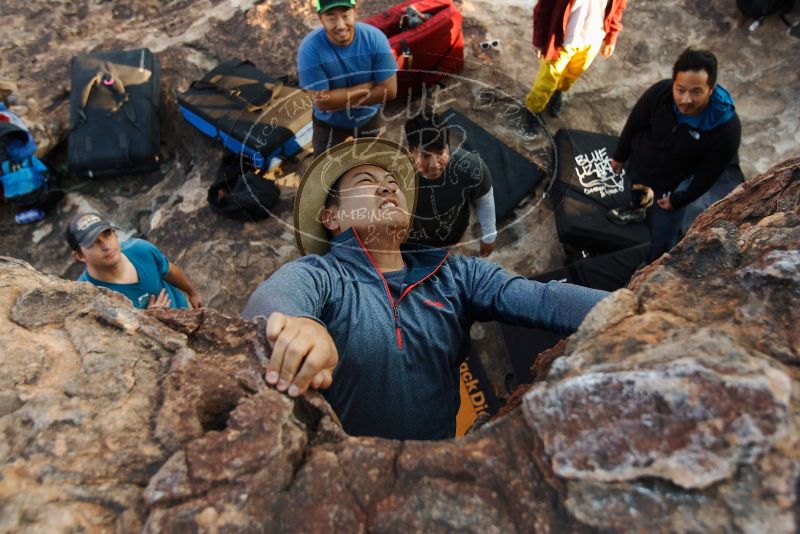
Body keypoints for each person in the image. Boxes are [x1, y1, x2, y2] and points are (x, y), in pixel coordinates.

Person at [242, 138, 608, 441]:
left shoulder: (454, 273)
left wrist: (628, 309)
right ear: (331, 217)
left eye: (392, 182)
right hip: (352, 475)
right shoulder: (323, 275)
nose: (388, 187)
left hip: (438, 469)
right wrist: (301, 324)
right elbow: (274, 298)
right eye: (366, 181)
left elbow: (542, 298)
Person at [608, 48, 742, 261]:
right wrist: (620, 155)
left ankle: (653, 265)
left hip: (674, 185)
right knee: (637, 191)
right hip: (642, 165)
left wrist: (679, 200)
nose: (685, 100)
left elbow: (708, 174)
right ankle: (637, 209)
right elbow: (635, 122)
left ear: (711, 89)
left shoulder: (727, 130)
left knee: (663, 237)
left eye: (696, 92)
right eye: (680, 89)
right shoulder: (660, 94)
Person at [297, 0, 398, 155]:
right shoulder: (309, 50)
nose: (341, 25)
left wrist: (336, 102)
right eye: (331, 18)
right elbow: (323, 102)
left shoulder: (375, 39)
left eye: (345, 15)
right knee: (324, 169)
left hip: (368, 118)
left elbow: (389, 91)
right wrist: (367, 87)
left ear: (355, 11)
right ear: (320, 18)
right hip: (328, 124)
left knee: (369, 160)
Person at [404, 109, 497, 256]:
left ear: (448, 145)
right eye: (425, 156)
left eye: (440, 153)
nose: (434, 165)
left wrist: (489, 236)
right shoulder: (396, 177)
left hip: (452, 236)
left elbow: (484, 201)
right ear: (410, 151)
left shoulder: (471, 168)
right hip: (412, 244)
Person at [67, 213, 203, 310]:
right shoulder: (87, 295)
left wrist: (192, 292)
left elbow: (168, 270)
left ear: (115, 234)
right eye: (93, 243)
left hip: (183, 310)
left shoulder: (140, 249)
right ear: (80, 255)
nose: (106, 246)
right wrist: (150, 319)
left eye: (107, 235)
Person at [524, 0, 627, 127]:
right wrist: (539, 41)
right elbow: (544, 7)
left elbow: (618, 7)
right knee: (546, 80)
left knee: (571, 74)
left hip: (592, 41)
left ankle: (558, 91)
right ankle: (533, 109)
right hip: (561, 42)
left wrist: (612, 36)